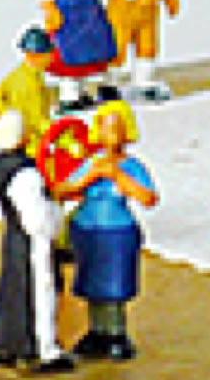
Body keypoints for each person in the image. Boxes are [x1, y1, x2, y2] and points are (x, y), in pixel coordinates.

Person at [59, 97, 157, 361]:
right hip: (88, 230)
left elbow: (148, 198)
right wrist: (89, 177)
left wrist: (118, 176)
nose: (110, 134)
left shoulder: (131, 166)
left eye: (116, 128)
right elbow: (63, 189)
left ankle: (115, 332)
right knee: (92, 281)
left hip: (117, 232)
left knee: (114, 284)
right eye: (105, 127)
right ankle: (96, 331)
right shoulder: (92, 163)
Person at [0, 110, 71, 374]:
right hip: (33, 242)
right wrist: (55, 212)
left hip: (15, 237)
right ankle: (43, 348)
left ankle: (4, 340)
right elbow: (37, 220)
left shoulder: (0, 168)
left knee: (12, 287)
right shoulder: (25, 174)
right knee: (39, 291)